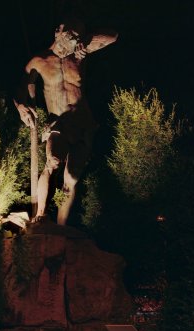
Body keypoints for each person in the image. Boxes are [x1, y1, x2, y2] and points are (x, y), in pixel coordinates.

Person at [14, 17, 118, 225]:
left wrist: (86, 43)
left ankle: (61, 227)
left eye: (77, 39)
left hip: (83, 123)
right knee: (51, 163)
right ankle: (40, 216)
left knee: (70, 179)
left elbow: (113, 37)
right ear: (58, 32)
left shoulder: (79, 55)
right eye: (71, 38)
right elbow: (21, 85)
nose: (72, 44)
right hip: (58, 123)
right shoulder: (40, 61)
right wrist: (20, 107)